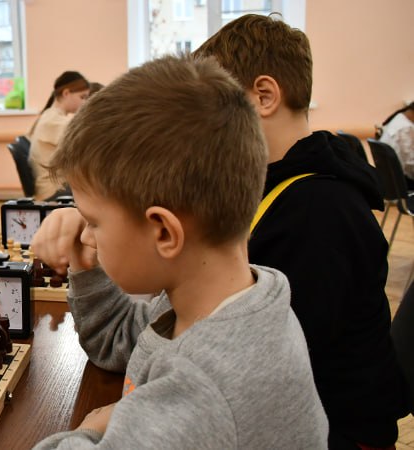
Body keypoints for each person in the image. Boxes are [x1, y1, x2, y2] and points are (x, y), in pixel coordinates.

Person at [29, 55, 326, 449]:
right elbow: (119, 341)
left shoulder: (200, 392)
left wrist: (94, 431)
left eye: (95, 222)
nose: (86, 237)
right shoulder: (229, 299)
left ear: (165, 232)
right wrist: (87, 269)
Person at [193, 14, 409, 449]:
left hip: (336, 429)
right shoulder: (280, 186)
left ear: (264, 96)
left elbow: (272, 360)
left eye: (210, 108)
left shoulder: (318, 209)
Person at [27, 71, 90, 201]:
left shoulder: (50, 116)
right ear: (66, 93)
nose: (85, 103)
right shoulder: (53, 122)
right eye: (82, 97)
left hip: (56, 186)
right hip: (53, 191)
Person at [379, 102, 414, 188]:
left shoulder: (399, 119)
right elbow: (411, 167)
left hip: (393, 180)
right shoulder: (406, 128)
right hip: (406, 182)